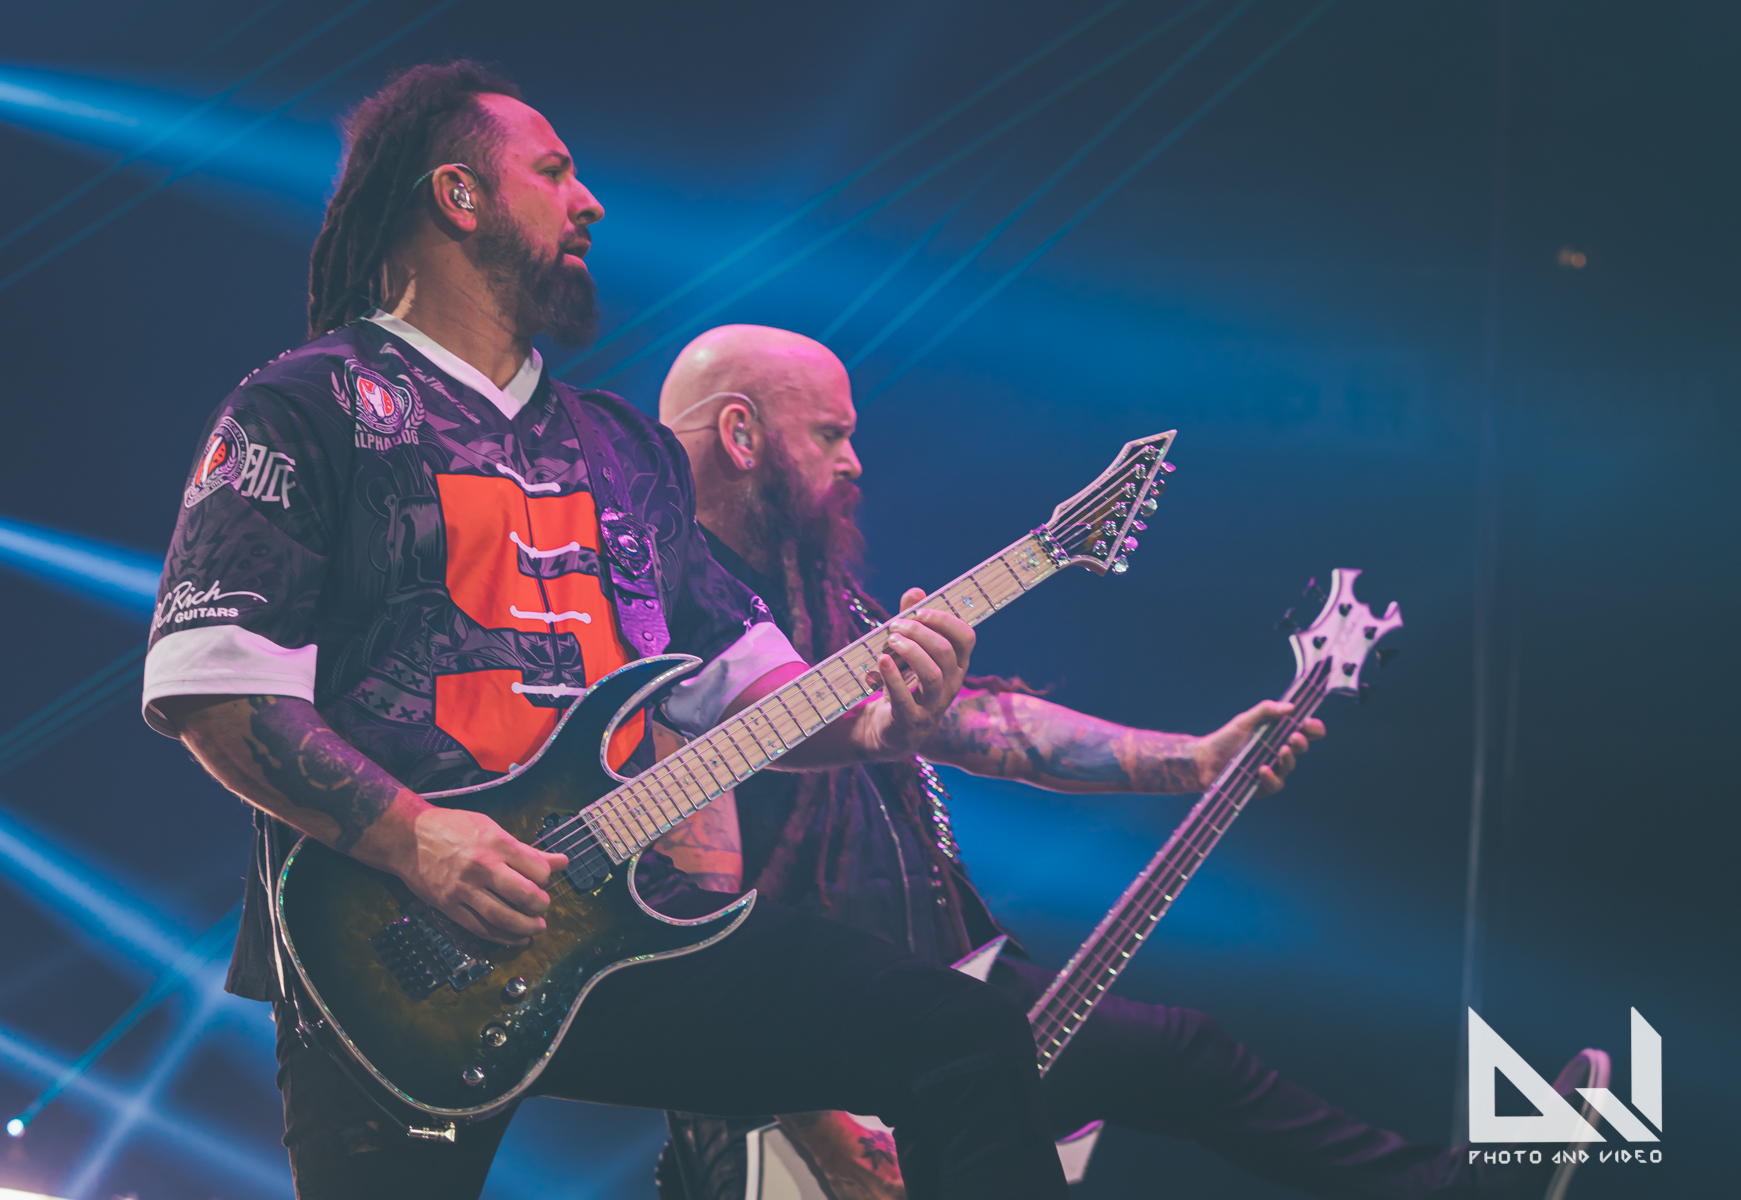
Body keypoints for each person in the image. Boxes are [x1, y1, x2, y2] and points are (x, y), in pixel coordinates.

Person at [141, 63, 1072, 1200]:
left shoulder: (623, 450)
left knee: (960, 1035)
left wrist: (883, 724)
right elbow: (217, 690)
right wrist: (415, 838)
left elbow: (747, 693)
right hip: (392, 956)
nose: (589, 203)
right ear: (459, 196)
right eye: (554, 173)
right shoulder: (304, 405)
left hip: (622, 924)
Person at [650, 325, 1601, 1200]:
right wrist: (816, 1118)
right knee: (1182, 1057)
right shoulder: (663, 610)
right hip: (797, 1053)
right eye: (831, 434)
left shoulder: (816, 600)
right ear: (742, 434)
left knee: (1182, 1056)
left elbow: (973, 725)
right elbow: (684, 910)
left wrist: (1192, 760)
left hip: (930, 994)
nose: (855, 460)